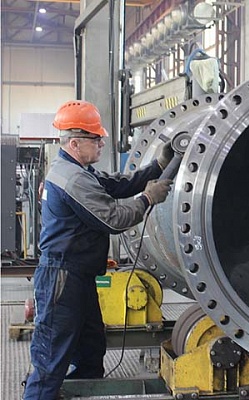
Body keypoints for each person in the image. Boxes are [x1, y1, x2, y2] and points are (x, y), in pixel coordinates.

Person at [23, 100, 173, 400]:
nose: (102, 143)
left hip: (78, 277)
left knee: (90, 351)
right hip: (62, 278)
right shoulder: (73, 179)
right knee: (50, 360)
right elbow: (113, 219)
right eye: (96, 138)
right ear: (75, 143)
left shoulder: (78, 171)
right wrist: (147, 199)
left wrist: (158, 165)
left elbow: (118, 185)